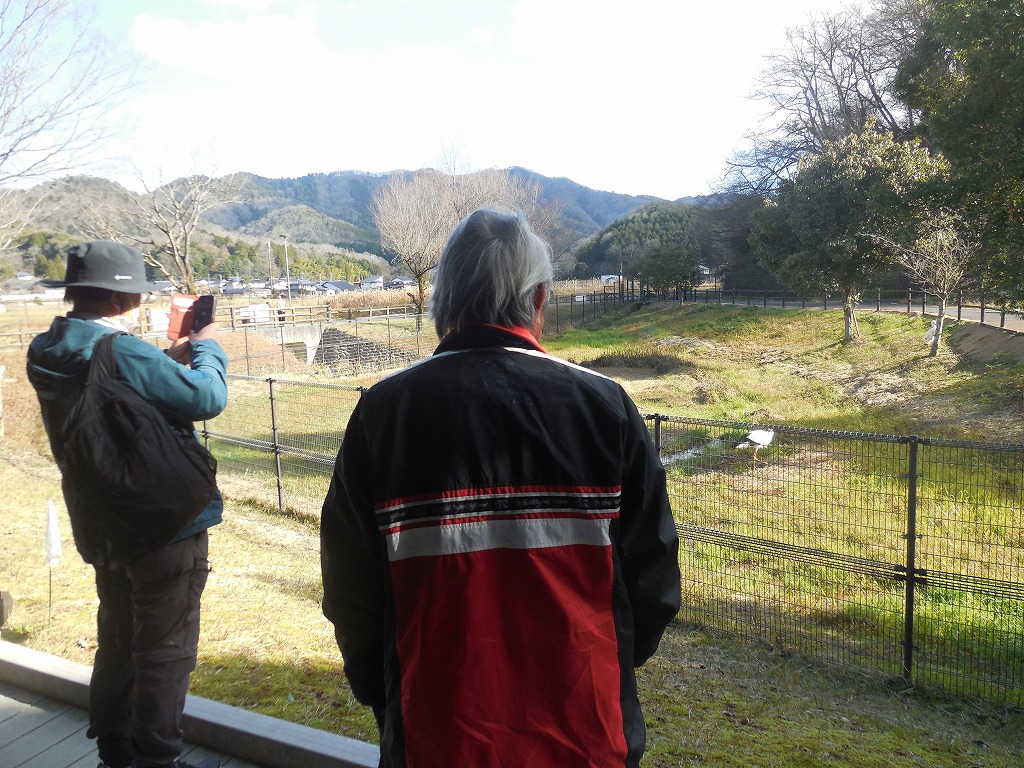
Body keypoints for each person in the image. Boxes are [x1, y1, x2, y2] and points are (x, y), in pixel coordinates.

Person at [320, 209, 681, 767]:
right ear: (538, 299)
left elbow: (351, 587)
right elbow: (653, 580)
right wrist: (609, 661)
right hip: (587, 736)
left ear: (444, 299)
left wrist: (384, 694)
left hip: (435, 736)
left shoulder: (383, 414)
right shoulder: (606, 407)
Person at [26, 241, 227, 768]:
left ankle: (115, 752)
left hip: (101, 519)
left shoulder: (47, 347)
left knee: (117, 637)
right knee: (165, 649)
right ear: (123, 299)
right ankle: (157, 759)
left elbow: (106, 385)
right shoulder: (123, 351)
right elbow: (207, 398)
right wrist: (206, 348)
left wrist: (165, 361)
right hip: (161, 524)